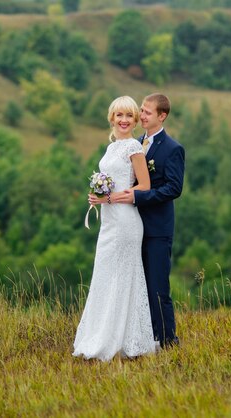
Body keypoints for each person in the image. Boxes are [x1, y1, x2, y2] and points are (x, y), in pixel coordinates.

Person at [73, 96, 157, 362]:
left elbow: (144, 186)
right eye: (119, 115)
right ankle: (104, 334)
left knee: (122, 276)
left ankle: (122, 340)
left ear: (134, 121)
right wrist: (98, 195)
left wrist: (108, 198)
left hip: (126, 222)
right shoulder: (111, 148)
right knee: (106, 274)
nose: (123, 120)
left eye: (129, 116)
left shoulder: (133, 146)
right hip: (109, 222)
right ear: (112, 118)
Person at [112, 93, 185, 349]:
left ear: (162, 116)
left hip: (156, 229)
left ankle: (168, 341)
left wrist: (139, 196)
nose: (140, 116)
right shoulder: (135, 143)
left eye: (147, 112)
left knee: (157, 287)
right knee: (136, 285)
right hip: (131, 226)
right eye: (141, 111)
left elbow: (174, 189)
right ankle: (142, 339)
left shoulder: (172, 148)